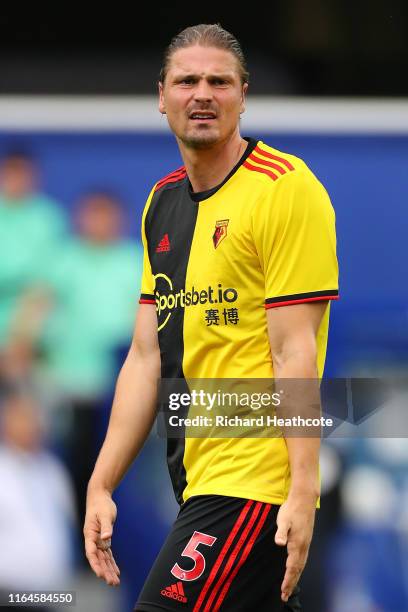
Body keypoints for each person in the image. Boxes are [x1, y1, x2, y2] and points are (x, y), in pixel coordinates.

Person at [84, 24, 339, 611]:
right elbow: (146, 357)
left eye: (219, 81)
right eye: (187, 81)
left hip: (253, 482)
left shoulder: (285, 189)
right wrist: (101, 483)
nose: (202, 93)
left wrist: (302, 488)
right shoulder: (162, 202)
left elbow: (294, 351)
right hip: (198, 477)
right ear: (162, 95)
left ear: (243, 94)